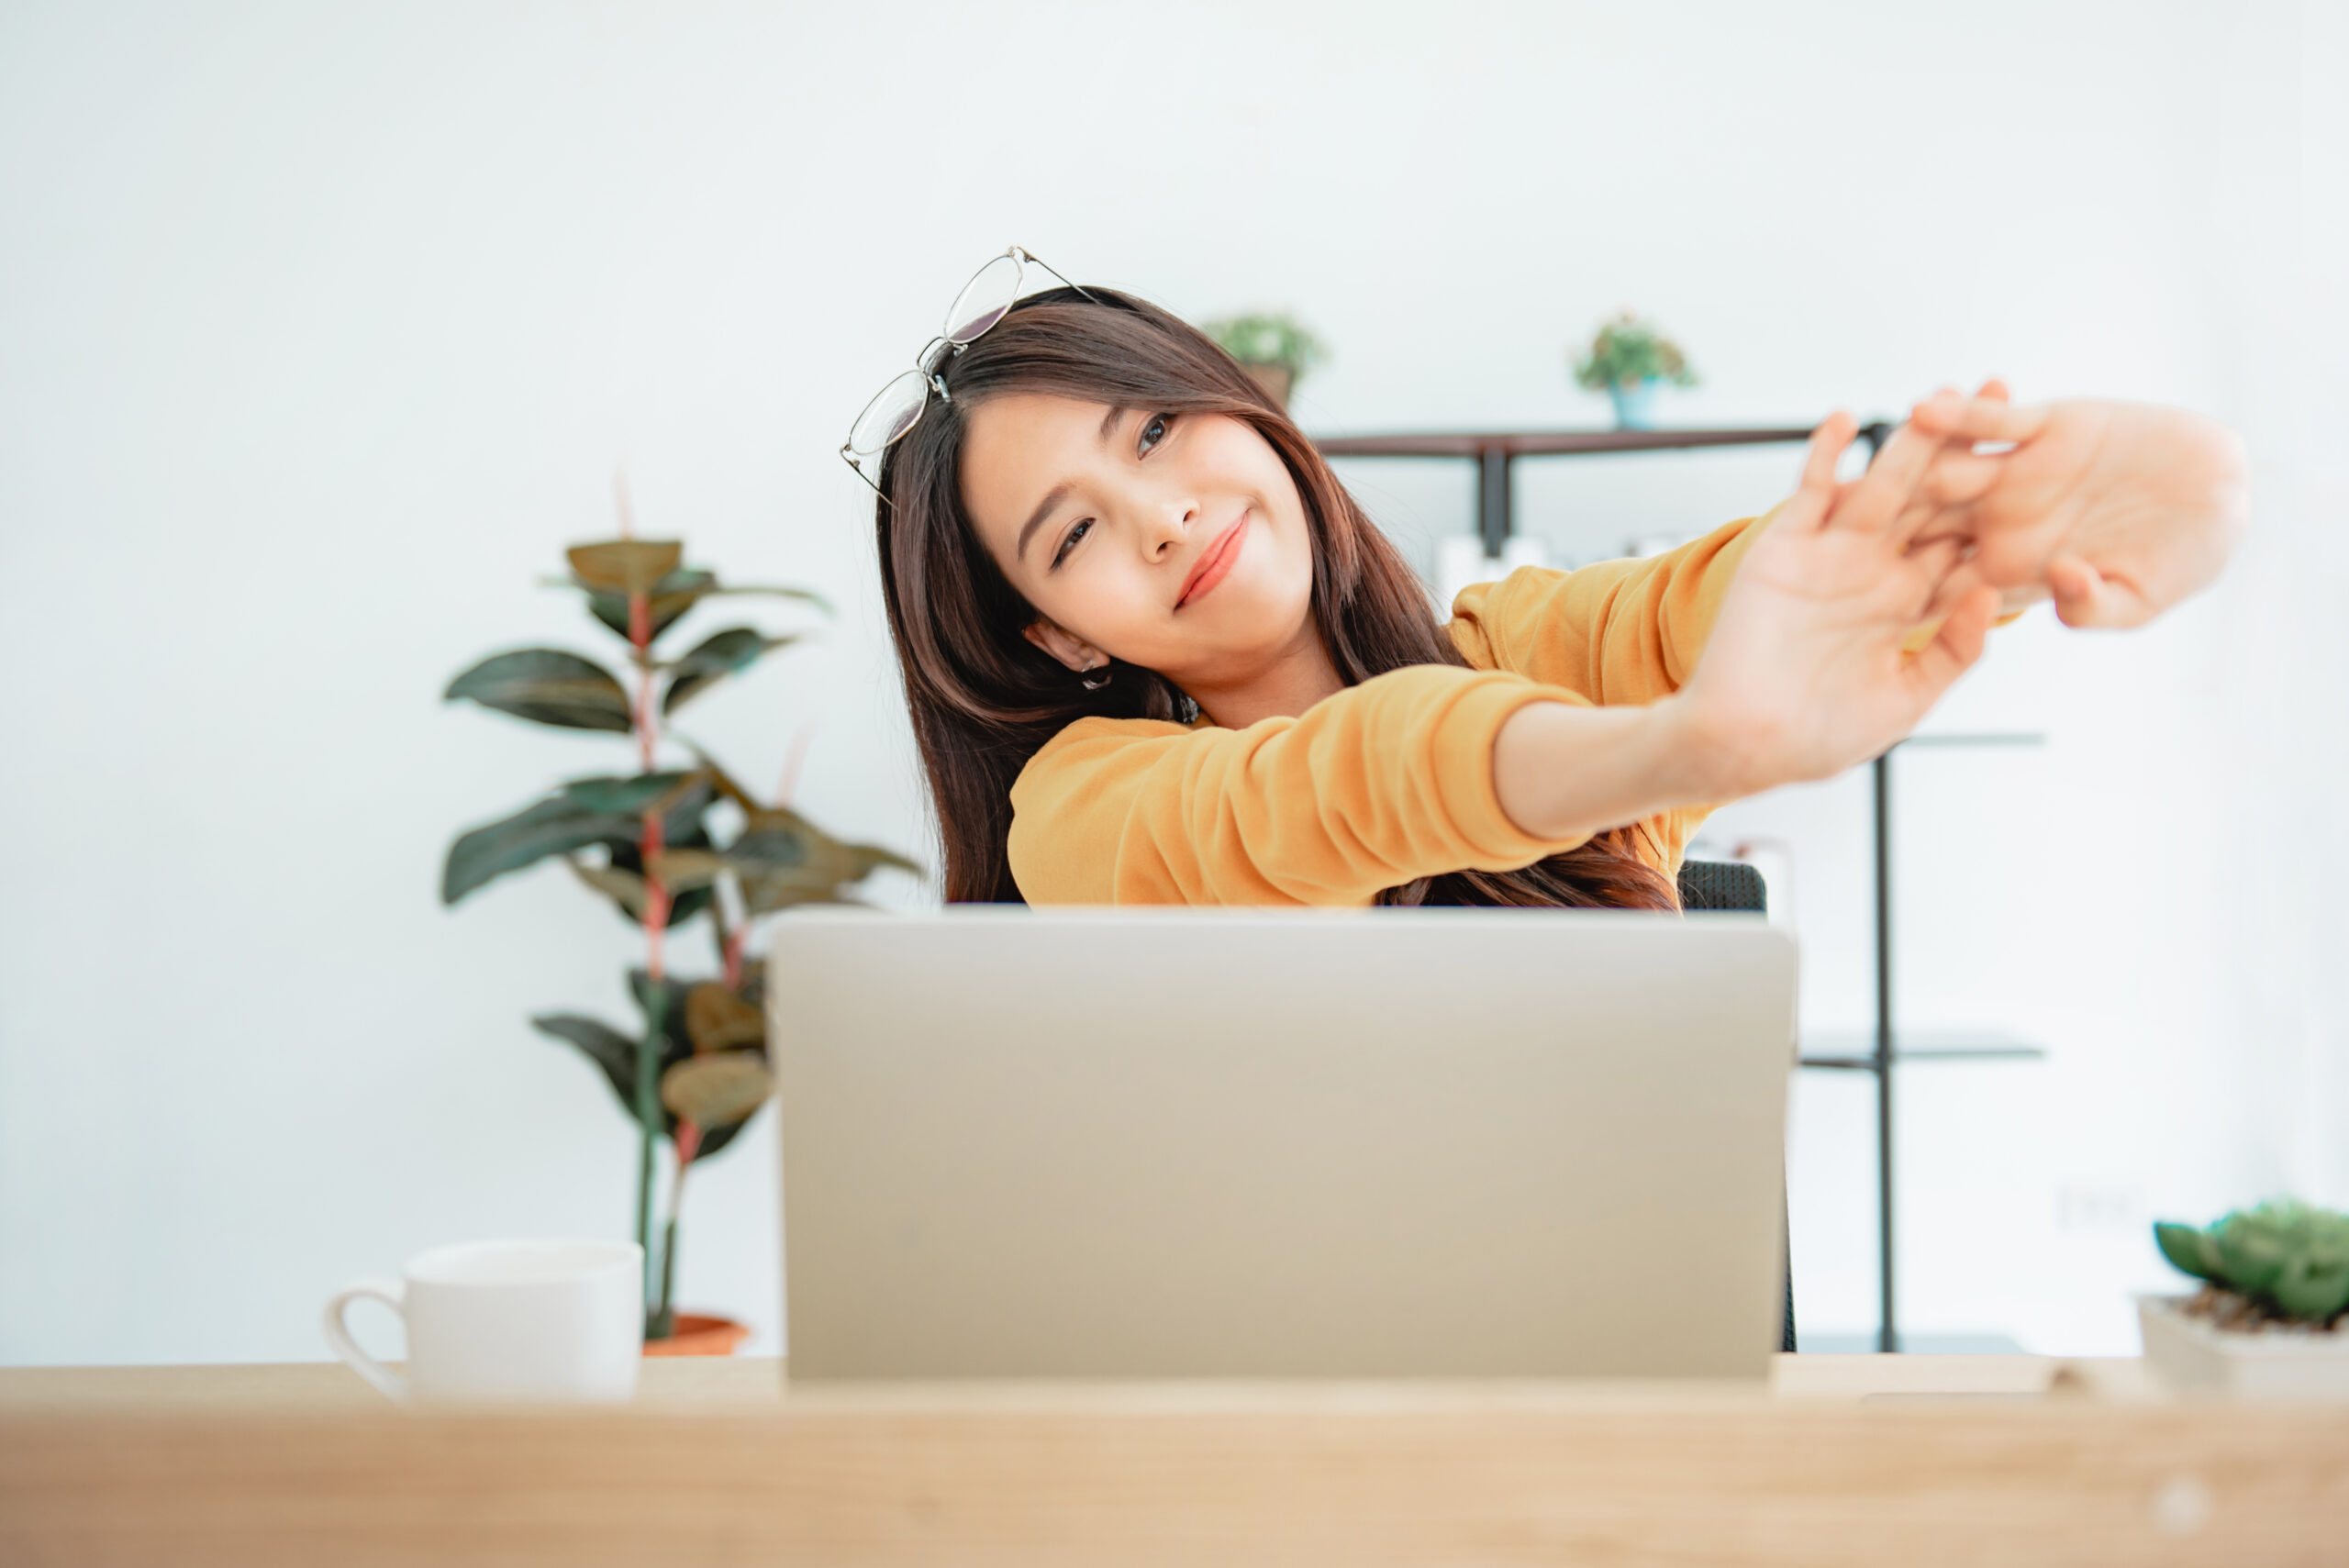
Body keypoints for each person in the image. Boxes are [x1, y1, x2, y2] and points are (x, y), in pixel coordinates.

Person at [863, 280, 2244, 908]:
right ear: (1051, 630)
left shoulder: (1525, 645)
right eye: (1074, 535)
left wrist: (1994, 533)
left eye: (1154, 432)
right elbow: (1341, 785)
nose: (1160, 516)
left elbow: (1720, 606)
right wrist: (1681, 746)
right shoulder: (1083, 813)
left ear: (1238, 406)